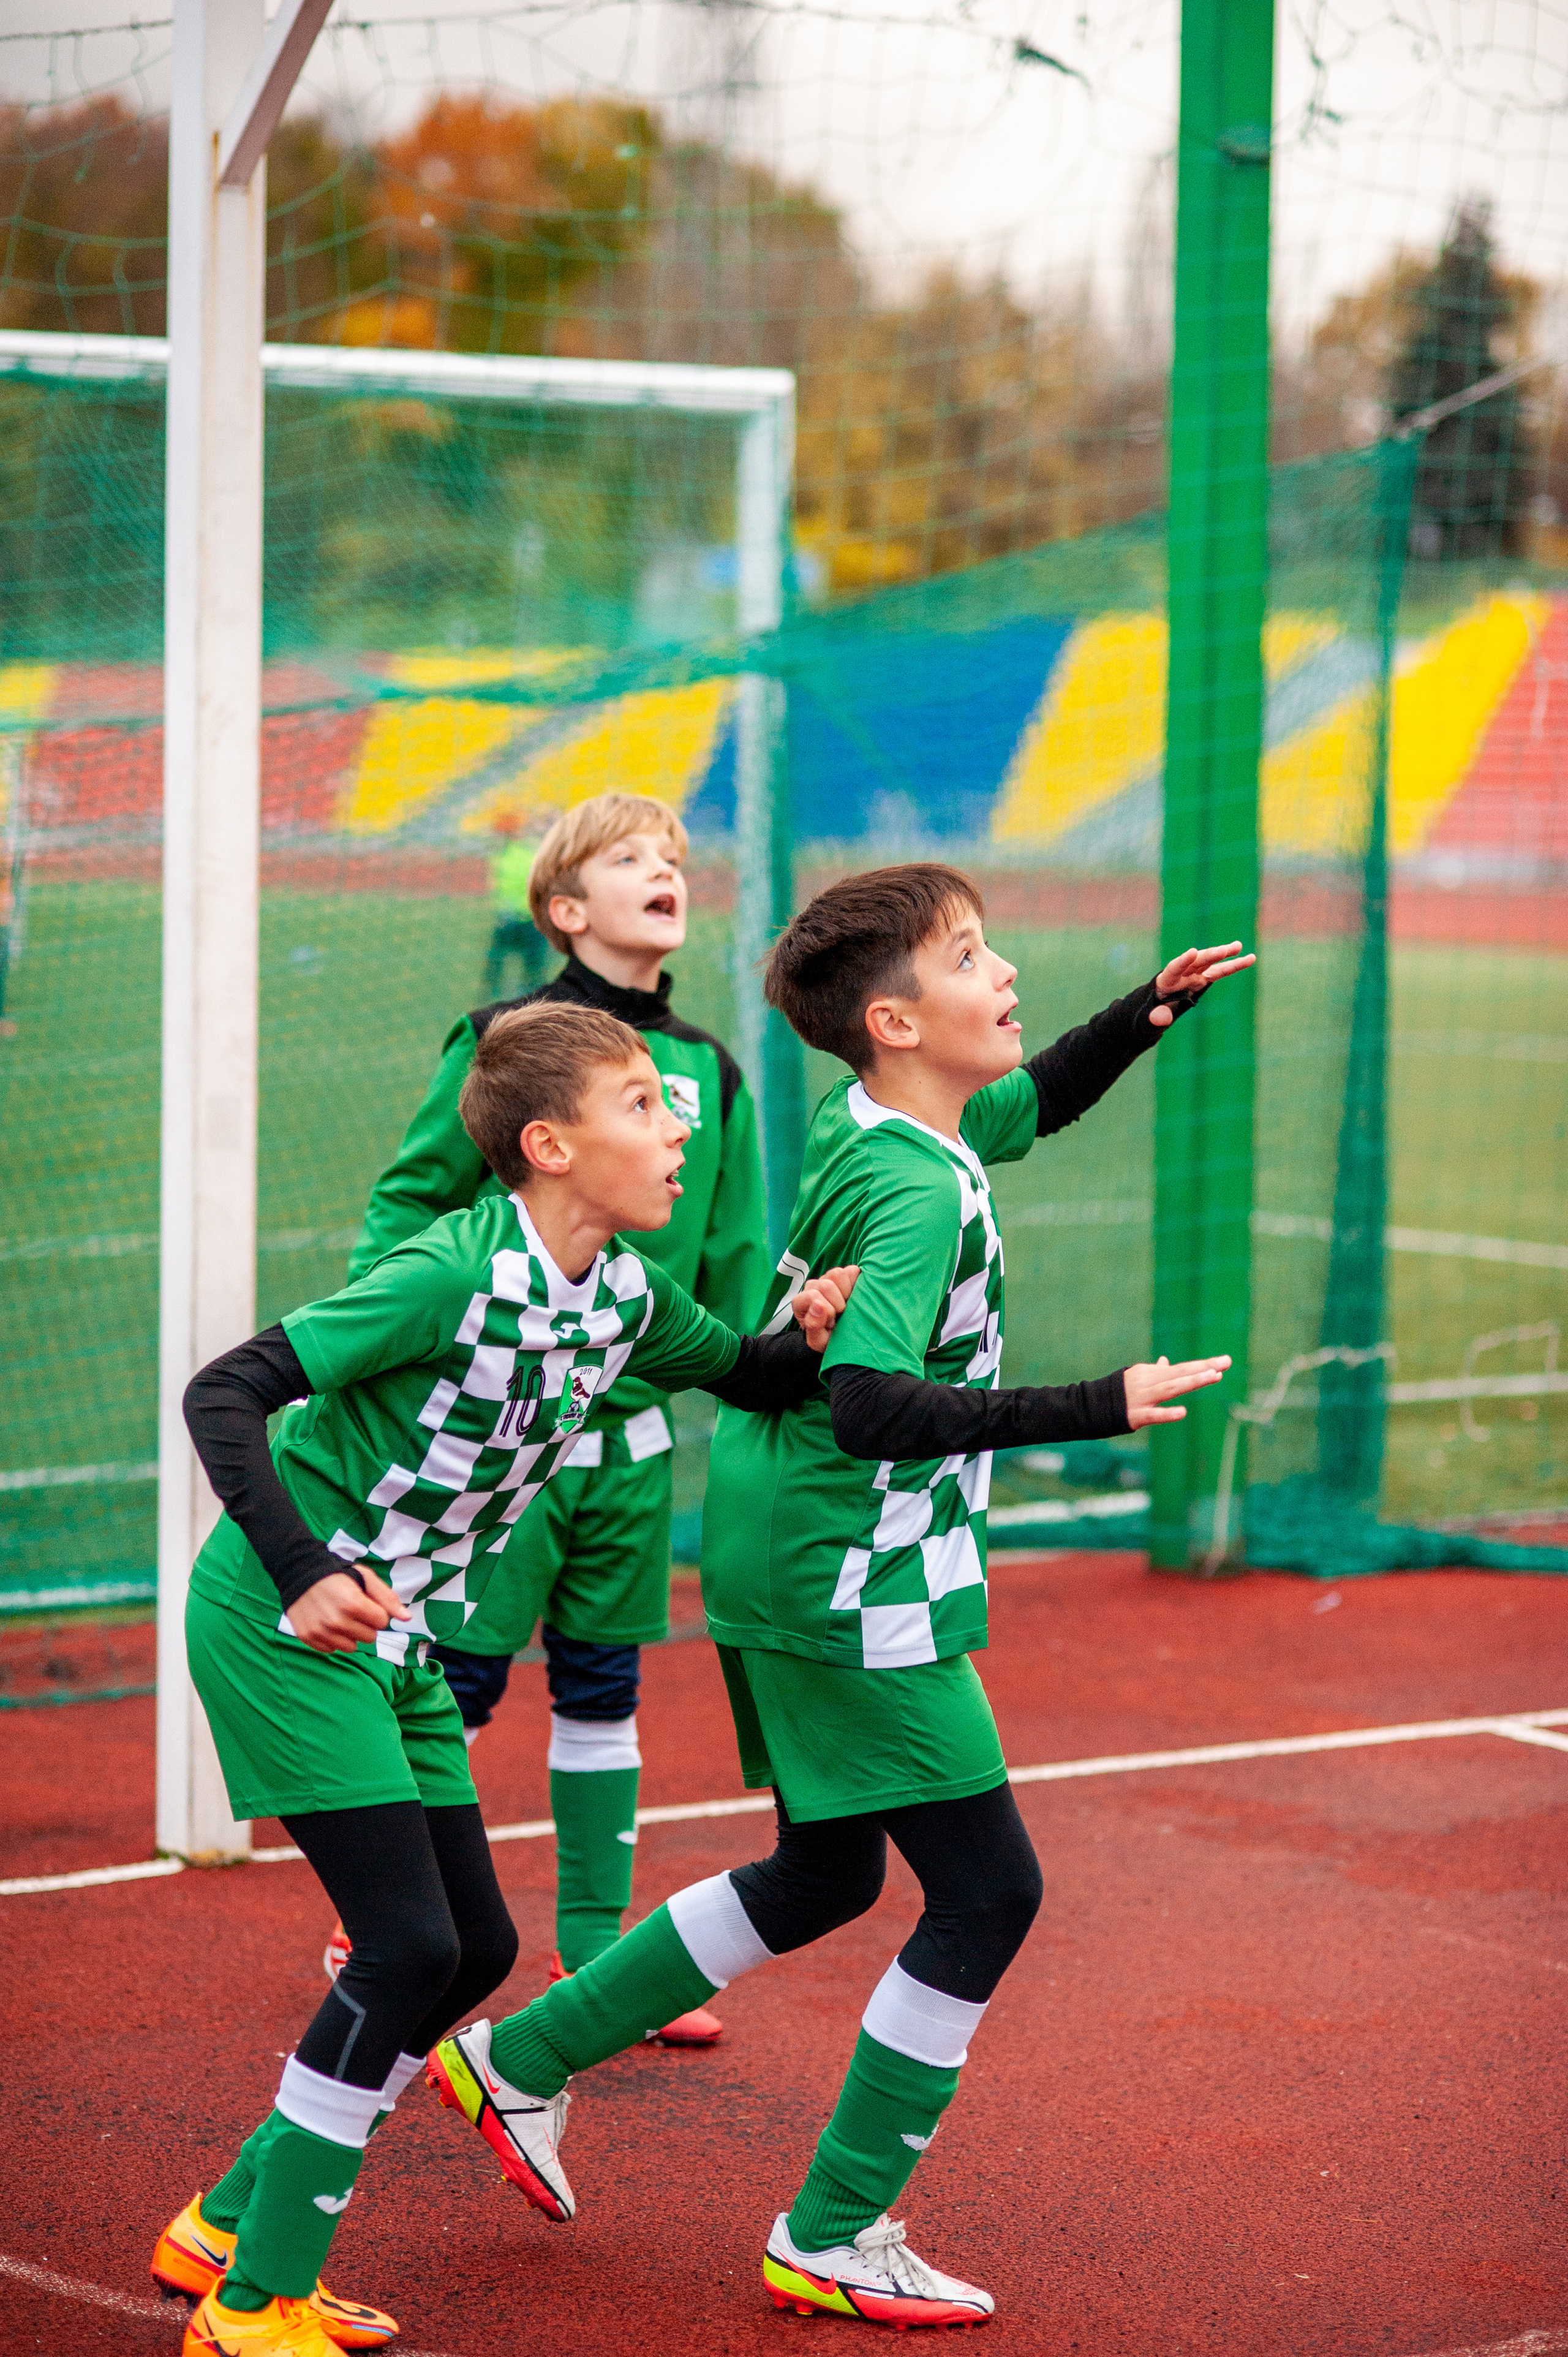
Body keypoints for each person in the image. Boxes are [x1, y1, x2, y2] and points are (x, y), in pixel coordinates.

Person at [428, 864, 1251, 2329]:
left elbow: (1027, 1102)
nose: (1003, 971)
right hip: (843, 1557)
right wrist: (1096, 1403)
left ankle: (520, 2058)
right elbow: (869, 1401)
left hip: (787, 1532)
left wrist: (1145, 1010)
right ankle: (836, 2223)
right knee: (989, 1890)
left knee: (828, 1870)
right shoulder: (915, 1185)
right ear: (890, 1017)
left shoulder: (883, 1117)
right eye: (967, 954)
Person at [156, 1002, 856, 2357]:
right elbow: (224, 1391)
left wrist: (811, 1325)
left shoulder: (627, 1293)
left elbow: (754, 1375)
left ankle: (227, 2225)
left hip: (395, 1643)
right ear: (547, 1145)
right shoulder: (446, 1275)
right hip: (286, 1622)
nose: (679, 1126)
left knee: (471, 1948)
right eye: (645, 1103)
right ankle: (252, 2311)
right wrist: (302, 1567)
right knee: (409, 1948)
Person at [338, 790, 766, 2045]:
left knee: (601, 1689)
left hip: (628, 1451)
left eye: (674, 857)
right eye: (631, 857)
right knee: (452, 1682)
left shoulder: (709, 1070)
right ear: (564, 908)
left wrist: (761, 1369)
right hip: (494, 1439)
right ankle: (389, 1917)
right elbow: (409, 1202)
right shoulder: (501, 1038)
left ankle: (594, 1960)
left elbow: (734, 1250)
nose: (664, 871)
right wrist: (412, 1356)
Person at [482, 809, 550, 999]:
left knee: (496, 963)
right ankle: (531, 996)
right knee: (533, 967)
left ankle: (491, 994)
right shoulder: (531, 856)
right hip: (529, 920)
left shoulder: (501, 857)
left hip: (507, 920)